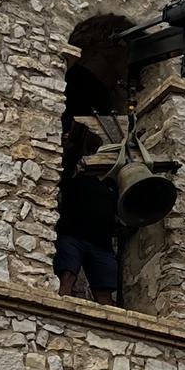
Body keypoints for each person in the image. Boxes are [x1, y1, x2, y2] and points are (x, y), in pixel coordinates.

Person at [55, 122, 120, 305]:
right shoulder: (73, 177)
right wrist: (71, 145)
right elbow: (69, 162)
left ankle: (109, 326)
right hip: (73, 236)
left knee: (104, 294)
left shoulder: (111, 185)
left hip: (102, 244)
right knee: (67, 278)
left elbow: (119, 211)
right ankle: (61, 309)